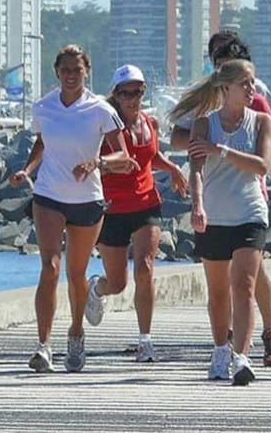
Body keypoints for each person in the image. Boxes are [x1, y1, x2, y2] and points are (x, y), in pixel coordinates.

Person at [9, 44, 135, 373]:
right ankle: (43, 346)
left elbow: (123, 157)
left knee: (76, 274)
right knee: (49, 267)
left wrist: (97, 162)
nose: (70, 75)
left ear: (86, 72)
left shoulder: (99, 110)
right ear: (56, 71)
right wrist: (28, 169)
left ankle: (76, 332)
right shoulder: (44, 107)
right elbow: (42, 143)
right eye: (65, 69)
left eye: (76, 70)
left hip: (87, 200)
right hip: (49, 194)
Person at [169, 32, 271, 367]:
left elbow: (270, 156)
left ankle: (256, 344)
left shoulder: (260, 103)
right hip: (215, 204)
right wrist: (197, 201)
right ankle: (223, 346)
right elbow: (184, 144)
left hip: (252, 199)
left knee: (249, 279)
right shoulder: (204, 111)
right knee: (222, 287)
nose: (250, 88)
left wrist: (224, 148)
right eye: (216, 57)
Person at [84, 65, 188, 363]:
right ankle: (97, 288)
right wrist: (109, 164)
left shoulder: (149, 122)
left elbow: (149, 155)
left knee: (145, 267)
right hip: (112, 207)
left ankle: (145, 341)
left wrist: (173, 168)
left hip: (146, 203)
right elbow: (94, 160)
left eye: (138, 92)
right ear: (116, 95)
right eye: (126, 93)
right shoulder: (105, 124)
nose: (133, 98)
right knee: (118, 283)